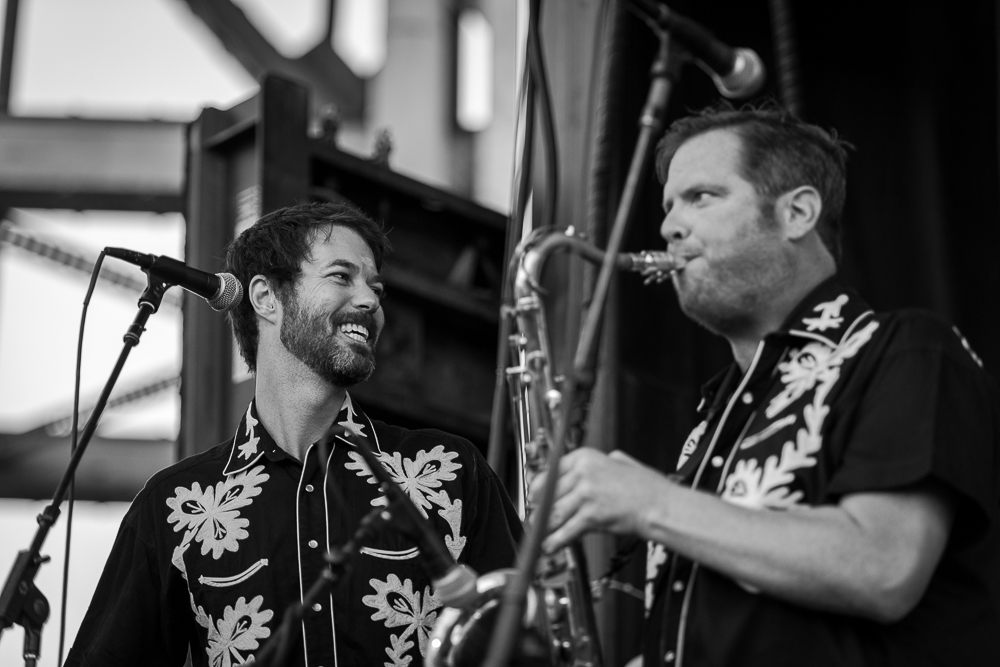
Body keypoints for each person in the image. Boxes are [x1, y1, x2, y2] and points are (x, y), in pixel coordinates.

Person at [531, 106, 1000, 666]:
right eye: (669, 205)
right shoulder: (715, 417)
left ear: (797, 212)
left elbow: (883, 566)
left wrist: (650, 501)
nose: (669, 227)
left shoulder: (907, 350)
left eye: (701, 196)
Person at [66, 201, 522, 667]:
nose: (370, 301)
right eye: (342, 277)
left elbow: (530, 642)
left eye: (376, 287)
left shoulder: (448, 470)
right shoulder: (175, 506)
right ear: (266, 298)